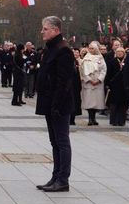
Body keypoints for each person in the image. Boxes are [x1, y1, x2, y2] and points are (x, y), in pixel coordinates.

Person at [35, 16, 75, 192]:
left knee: (62, 141)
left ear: (56, 30)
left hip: (59, 104)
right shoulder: (51, 48)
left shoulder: (63, 50)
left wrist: (56, 105)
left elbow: (64, 82)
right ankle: (55, 176)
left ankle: (63, 179)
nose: (42, 31)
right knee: (54, 142)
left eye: (45, 28)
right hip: (50, 102)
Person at [80, 41, 107, 126]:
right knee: (89, 102)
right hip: (89, 83)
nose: (91, 50)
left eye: (93, 48)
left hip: (98, 83)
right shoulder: (86, 58)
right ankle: (90, 118)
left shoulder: (100, 58)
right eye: (90, 48)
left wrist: (99, 79)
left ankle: (94, 118)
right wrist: (89, 80)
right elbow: (83, 70)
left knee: (96, 102)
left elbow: (104, 69)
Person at [105, 46, 128, 126]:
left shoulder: (127, 62)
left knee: (123, 104)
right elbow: (108, 74)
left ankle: (121, 121)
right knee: (114, 104)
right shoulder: (112, 61)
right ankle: (113, 120)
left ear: (124, 53)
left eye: (121, 52)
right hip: (114, 85)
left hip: (124, 86)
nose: (119, 53)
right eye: (118, 52)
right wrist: (107, 84)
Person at [70, 48, 82, 125]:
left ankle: (73, 118)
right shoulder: (68, 62)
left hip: (76, 85)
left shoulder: (77, 62)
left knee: (75, 102)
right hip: (68, 85)